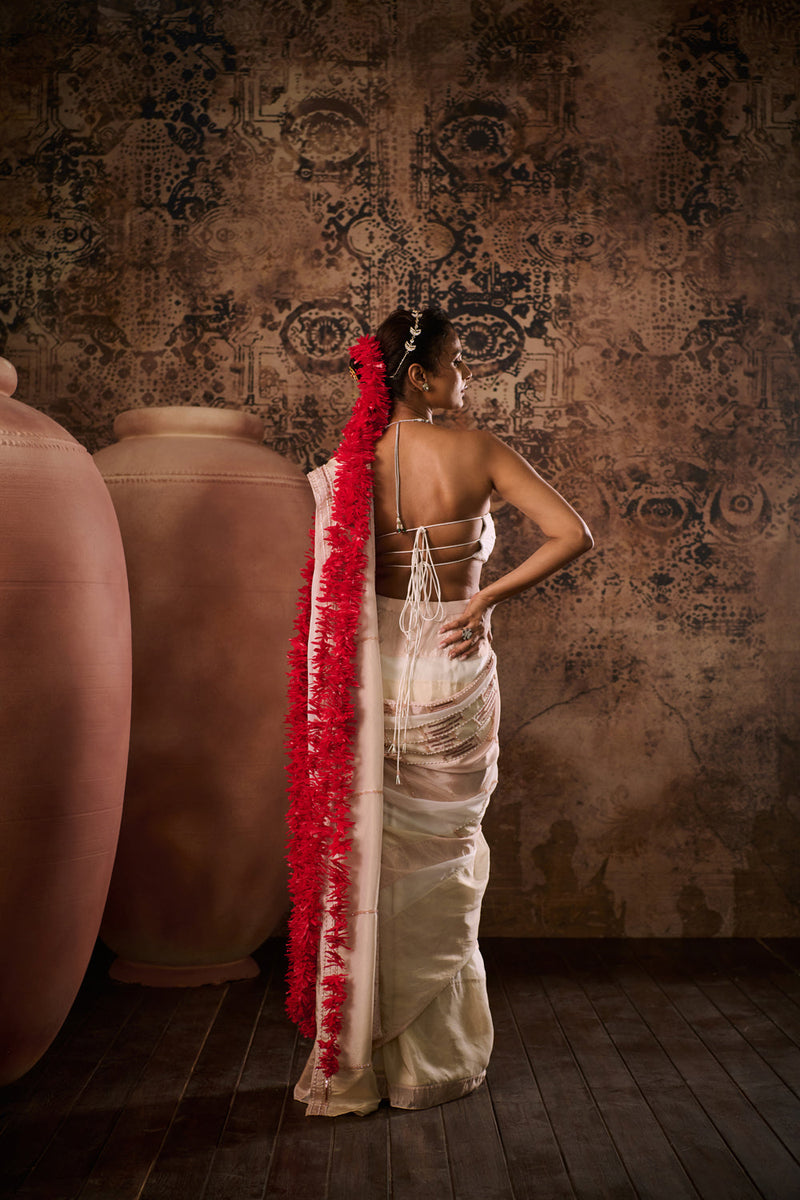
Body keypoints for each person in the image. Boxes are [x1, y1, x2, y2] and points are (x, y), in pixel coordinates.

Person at [285, 307, 593, 1117]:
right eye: (457, 364)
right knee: (448, 853)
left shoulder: (341, 472)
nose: (466, 379)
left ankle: (366, 1054)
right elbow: (572, 533)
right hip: (449, 668)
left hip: (370, 675)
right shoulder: (478, 450)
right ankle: (430, 1062)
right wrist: (486, 597)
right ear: (420, 376)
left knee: (372, 860)